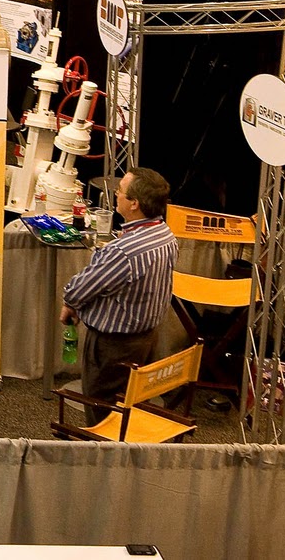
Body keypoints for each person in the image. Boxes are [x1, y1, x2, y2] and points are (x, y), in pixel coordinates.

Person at [60, 167, 178, 404]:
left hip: (113, 345)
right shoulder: (166, 234)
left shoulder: (123, 251)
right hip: (147, 338)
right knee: (129, 402)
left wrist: (69, 303)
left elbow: (83, 287)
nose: (116, 193)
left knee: (101, 406)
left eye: (121, 191)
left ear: (134, 203)